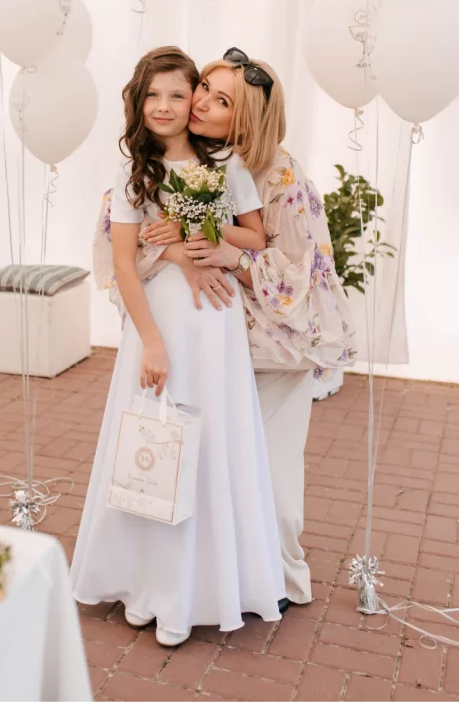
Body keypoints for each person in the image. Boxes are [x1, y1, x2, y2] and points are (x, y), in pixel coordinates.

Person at [102, 48, 355, 608]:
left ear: (247, 118)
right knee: (206, 466)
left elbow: (299, 269)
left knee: (267, 476)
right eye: (205, 90)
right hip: (218, 339)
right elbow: (129, 241)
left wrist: (224, 252)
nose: (198, 104)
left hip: (277, 346)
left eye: (221, 100)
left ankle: (279, 580)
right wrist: (181, 250)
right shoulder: (179, 161)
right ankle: (200, 580)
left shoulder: (279, 175)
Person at [71, 47, 285, 647]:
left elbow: (256, 236)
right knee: (152, 441)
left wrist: (197, 229)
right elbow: (123, 260)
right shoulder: (134, 171)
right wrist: (151, 342)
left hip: (213, 322)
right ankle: (146, 585)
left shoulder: (226, 163)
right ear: (138, 102)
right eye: (152, 95)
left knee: (210, 442)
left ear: (193, 98)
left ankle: (198, 590)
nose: (164, 106)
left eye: (177, 94)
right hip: (160, 321)